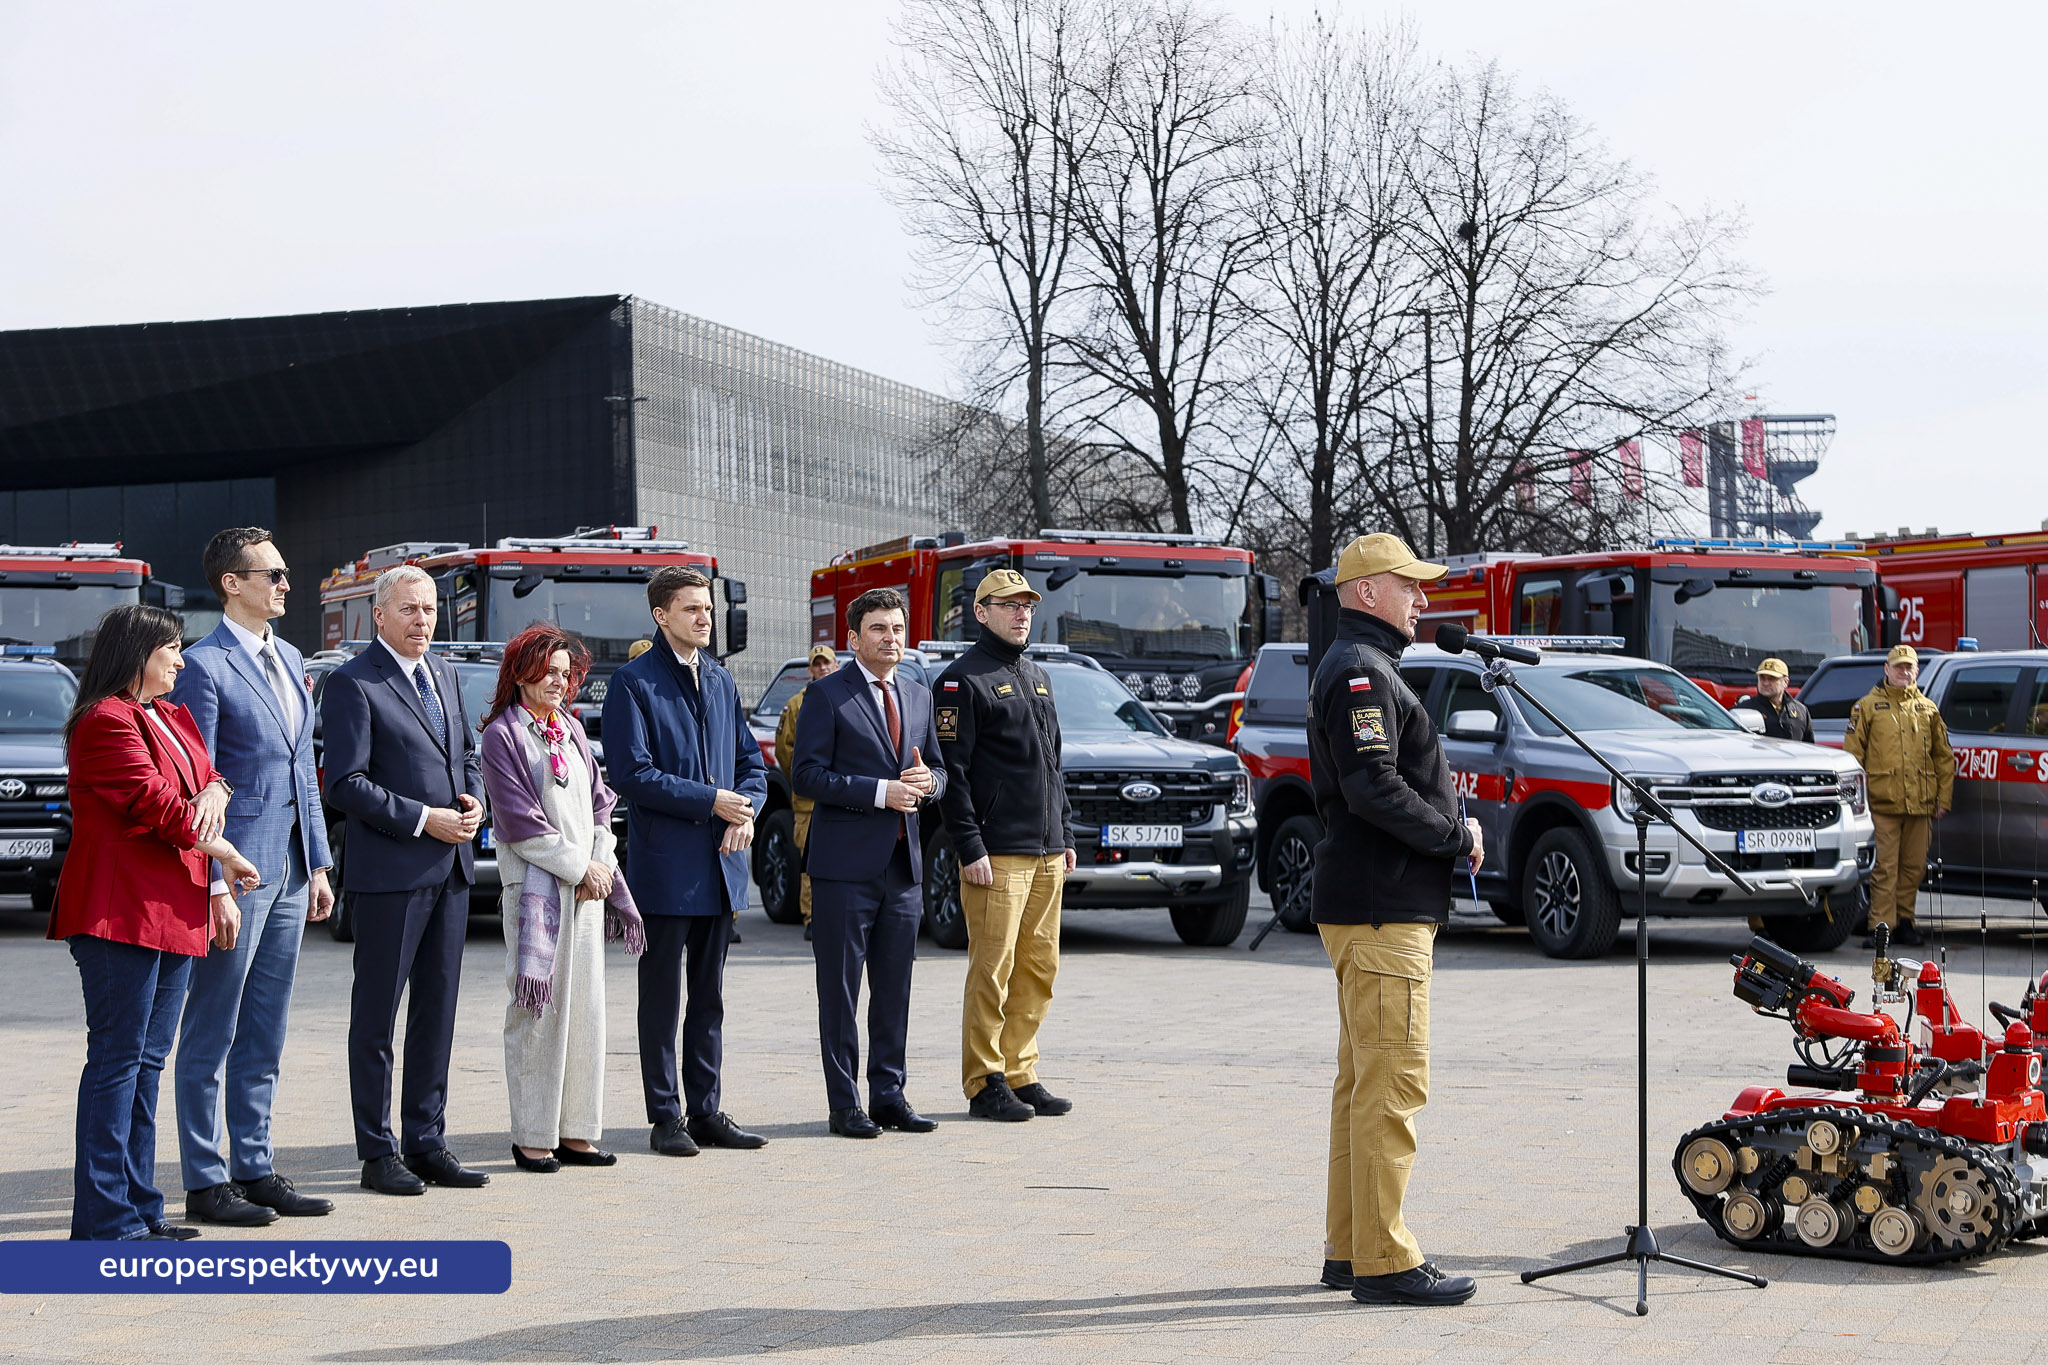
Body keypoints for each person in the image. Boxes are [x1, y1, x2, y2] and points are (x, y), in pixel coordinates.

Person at [1307, 533, 1481, 1308]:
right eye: (1410, 586)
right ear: (1369, 590)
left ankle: (1353, 1247)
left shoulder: (1365, 666)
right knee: (1392, 1083)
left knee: (1363, 1083)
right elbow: (1372, 787)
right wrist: (1454, 833)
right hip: (1382, 909)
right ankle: (1384, 1257)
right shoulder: (1358, 671)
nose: (1423, 600)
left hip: (1376, 905)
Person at [51, 605, 259, 1241]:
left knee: (146, 1063)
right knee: (117, 1061)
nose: (180, 659)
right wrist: (224, 848)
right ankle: (105, 1218)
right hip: (119, 912)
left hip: (170, 909)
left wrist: (217, 791)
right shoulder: (104, 721)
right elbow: (158, 806)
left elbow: (210, 775)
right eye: (171, 648)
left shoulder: (171, 714)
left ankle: (141, 1206)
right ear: (137, 653)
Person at [169, 528, 336, 1227]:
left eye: (284, 571)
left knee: (266, 1028)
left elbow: (303, 767)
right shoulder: (202, 667)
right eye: (272, 573)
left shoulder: (292, 655)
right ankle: (206, 1179)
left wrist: (320, 861)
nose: (285, 584)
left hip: (293, 868)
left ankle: (255, 1166)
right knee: (213, 1025)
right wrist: (211, 880)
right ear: (231, 582)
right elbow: (200, 779)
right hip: (235, 875)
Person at [321, 565, 491, 1197]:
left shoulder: (443, 673)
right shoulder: (352, 683)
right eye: (411, 610)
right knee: (377, 1019)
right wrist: (425, 819)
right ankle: (377, 1152)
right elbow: (345, 784)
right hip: (392, 874)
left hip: (450, 872)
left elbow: (465, 754)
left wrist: (472, 802)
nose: (424, 620)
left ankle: (427, 1141)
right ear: (380, 614)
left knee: (437, 1014)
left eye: (430, 610)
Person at [602, 566, 771, 1157]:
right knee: (662, 996)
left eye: (707, 608)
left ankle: (707, 1109)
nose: (705, 617)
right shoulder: (633, 683)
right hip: (667, 868)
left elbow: (752, 764)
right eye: (692, 608)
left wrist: (745, 812)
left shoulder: (721, 681)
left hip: (722, 867)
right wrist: (713, 801)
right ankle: (665, 1114)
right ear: (661, 615)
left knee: (710, 996)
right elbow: (631, 773)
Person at [480, 625, 646, 1173]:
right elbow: (519, 822)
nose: (558, 681)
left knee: (585, 1013)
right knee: (539, 1014)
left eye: (564, 672)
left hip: (585, 890)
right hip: (537, 894)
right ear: (520, 671)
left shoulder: (571, 728)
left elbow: (602, 805)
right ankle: (533, 1135)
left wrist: (598, 859)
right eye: (547, 670)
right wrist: (581, 867)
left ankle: (578, 1131)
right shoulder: (503, 735)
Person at [792, 589, 947, 1138]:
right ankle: (845, 1104)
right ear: (853, 638)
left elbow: (941, 772)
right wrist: (879, 792)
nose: (891, 638)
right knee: (839, 991)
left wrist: (930, 784)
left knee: (894, 990)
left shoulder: (918, 692)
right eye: (879, 629)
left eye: (898, 628)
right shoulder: (826, 695)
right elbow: (806, 776)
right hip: (842, 871)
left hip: (902, 868)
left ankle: (890, 1096)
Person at [933, 568, 1075, 1124]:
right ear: (981, 611)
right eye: (1008, 605)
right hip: (996, 853)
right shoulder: (961, 681)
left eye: (1027, 605)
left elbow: (1053, 764)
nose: (1021, 613)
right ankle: (984, 1080)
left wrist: (1063, 834)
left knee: (1039, 967)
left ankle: (1021, 1071)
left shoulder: (1037, 674)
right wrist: (970, 848)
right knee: (992, 969)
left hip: (1045, 852)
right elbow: (954, 773)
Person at [1845, 644, 1953, 950]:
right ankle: (1881, 926)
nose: (1904, 672)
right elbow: (1853, 757)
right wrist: (1858, 802)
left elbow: (1944, 757)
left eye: (1909, 667)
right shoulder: (1866, 707)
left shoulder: (1928, 709)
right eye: (1898, 667)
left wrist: (1943, 799)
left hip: (1920, 804)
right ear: (1887, 670)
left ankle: (1906, 921)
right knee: (1885, 869)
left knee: (1915, 866)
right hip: (1882, 804)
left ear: (1916, 671)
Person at [776, 644, 839, 941]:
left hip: (841, 798)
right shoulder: (797, 704)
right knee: (810, 862)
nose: (822, 668)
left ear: (836, 666)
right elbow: (785, 751)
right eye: (817, 664)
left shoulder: (848, 697)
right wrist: (805, 781)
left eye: (827, 663)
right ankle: (812, 918)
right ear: (810, 670)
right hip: (809, 803)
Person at [1734, 658, 1813, 742]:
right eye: (1762, 678)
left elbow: (1809, 745)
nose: (1765, 683)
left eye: (1772, 678)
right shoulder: (1743, 710)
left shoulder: (1801, 710)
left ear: (1786, 682)